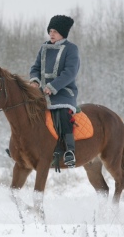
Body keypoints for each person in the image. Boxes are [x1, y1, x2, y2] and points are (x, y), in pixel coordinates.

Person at [29, 15, 80, 167]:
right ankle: (23, 147)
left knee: (62, 114)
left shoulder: (71, 49)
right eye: (50, 30)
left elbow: (70, 72)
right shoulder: (44, 47)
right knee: (27, 112)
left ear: (63, 33)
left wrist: (53, 87)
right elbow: (35, 68)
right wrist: (34, 81)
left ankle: (69, 151)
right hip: (41, 92)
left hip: (63, 92)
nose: (51, 34)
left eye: (55, 31)